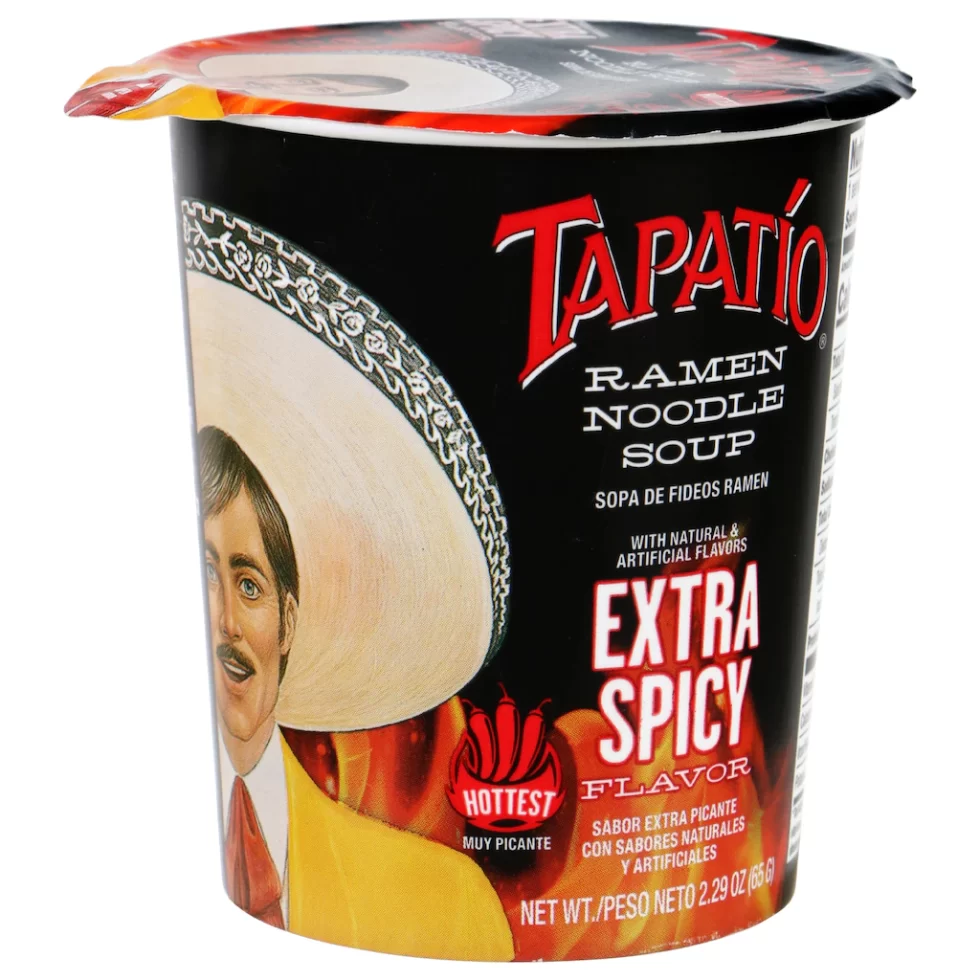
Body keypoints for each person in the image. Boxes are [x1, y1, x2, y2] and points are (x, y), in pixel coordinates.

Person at [199, 425, 513, 959]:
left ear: (288, 623)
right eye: (209, 574)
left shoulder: (449, 902)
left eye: (249, 586)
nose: (227, 620)